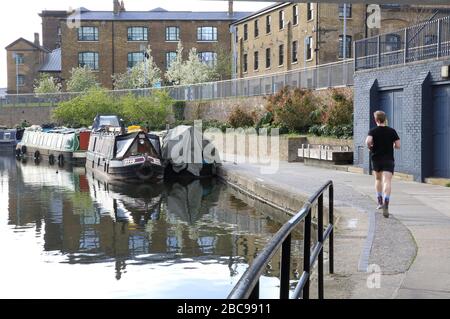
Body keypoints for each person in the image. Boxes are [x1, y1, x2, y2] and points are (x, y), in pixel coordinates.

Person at [365, 111, 401, 218]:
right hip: (388, 159)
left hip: (376, 159)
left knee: (378, 180)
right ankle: (386, 202)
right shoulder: (392, 131)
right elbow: (398, 145)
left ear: (376, 120)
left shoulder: (373, 131)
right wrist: (392, 146)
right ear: (385, 119)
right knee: (387, 181)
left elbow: (368, 141)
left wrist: (370, 147)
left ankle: (380, 202)